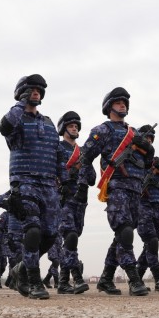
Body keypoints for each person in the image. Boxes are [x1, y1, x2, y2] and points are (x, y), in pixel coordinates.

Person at [78, 87, 154, 296]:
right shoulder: (102, 130)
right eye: (119, 102)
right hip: (117, 186)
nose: (123, 105)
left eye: (125, 103)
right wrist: (87, 180)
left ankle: (105, 279)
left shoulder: (135, 133)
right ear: (109, 106)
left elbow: (146, 164)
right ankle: (134, 279)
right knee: (125, 232)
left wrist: (149, 150)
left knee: (122, 235)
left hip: (135, 189)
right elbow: (85, 156)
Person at [0, 74, 68, 300]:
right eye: (31, 89)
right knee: (33, 230)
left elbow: (58, 153)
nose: (36, 92)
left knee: (50, 234)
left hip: (49, 185)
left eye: (38, 90)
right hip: (25, 182)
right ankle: (33, 278)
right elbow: (4, 127)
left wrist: (64, 180)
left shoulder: (48, 123)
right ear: (22, 93)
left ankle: (20, 269)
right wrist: (21, 102)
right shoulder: (16, 120)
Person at [56, 110, 94, 294]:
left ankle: (63, 282)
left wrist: (86, 162)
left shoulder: (82, 153)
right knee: (70, 235)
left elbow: (93, 178)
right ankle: (77, 277)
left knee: (72, 240)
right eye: (71, 126)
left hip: (81, 200)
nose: (75, 128)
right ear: (64, 128)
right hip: (64, 199)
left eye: (77, 126)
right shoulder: (58, 148)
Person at [136, 125, 159, 292]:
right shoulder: (136, 162)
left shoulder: (157, 162)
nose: (149, 141)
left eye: (151, 139)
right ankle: (158, 278)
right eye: (146, 139)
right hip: (142, 206)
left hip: (158, 207)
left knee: (152, 243)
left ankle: (136, 277)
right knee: (151, 241)